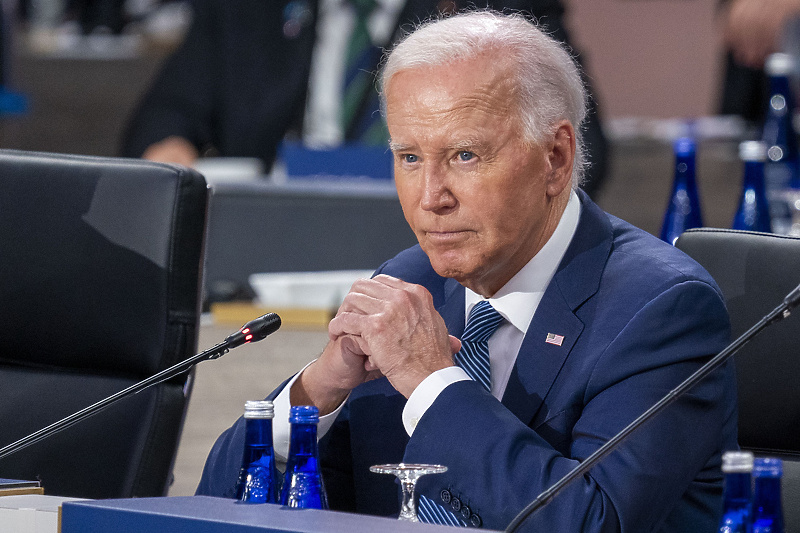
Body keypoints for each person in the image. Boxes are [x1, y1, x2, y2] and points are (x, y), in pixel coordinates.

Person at [197, 10, 738, 531]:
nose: (431, 197)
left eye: (464, 156)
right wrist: (315, 395)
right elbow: (215, 509)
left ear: (555, 157)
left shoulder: (661, 309)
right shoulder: (408, 282)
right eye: (409, 158)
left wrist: (433, 383)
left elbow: (591, 522)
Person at [119, 0, 608, 196]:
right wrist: (173, 160)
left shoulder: (495, 8)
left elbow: (582, 148)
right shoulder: (248, 8)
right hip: (274, 250)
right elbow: (160, 119)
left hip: (442, 248)